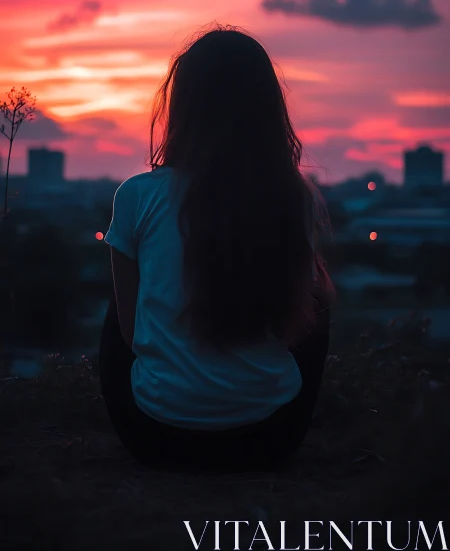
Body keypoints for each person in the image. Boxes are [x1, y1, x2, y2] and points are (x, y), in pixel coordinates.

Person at [99, 24, 334, 473]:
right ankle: (254, 389)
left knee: (123, 295)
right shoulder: (293, 198)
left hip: (154, 436)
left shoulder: (137, 196)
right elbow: (297, 329)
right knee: (316, 297)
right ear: (267, 110)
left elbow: (130, 336)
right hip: (271, 438)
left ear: (183, 106)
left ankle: (177, 391)